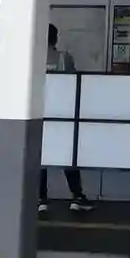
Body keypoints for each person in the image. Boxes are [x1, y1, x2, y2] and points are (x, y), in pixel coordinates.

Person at [43, 23, 94, 214]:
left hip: (40, 114)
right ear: (55, 38)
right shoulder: (64, 58)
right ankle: (77, 197)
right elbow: (73, 84)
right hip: (62, 115)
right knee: (68, 156)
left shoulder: (31, 59)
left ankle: (41, 199)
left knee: (41, 157)